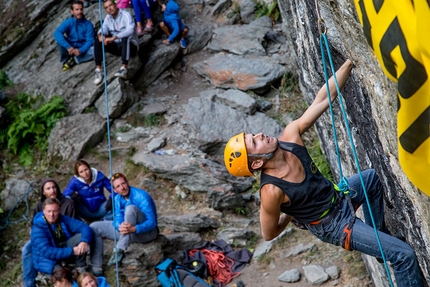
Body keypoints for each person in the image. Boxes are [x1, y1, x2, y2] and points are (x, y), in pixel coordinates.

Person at [223, 59, 423, 286]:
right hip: (333, 226)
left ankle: (380, 245)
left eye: (254, 135)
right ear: (257, 164)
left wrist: (349, 63)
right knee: (404, 256)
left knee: (371, 179)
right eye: (255, 143)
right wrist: (289, 214)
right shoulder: (271, 191)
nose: (260, 135)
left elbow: (323, 98)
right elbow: (268, 234)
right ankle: (388, 249)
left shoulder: (290, 137)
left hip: (338, 197)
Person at [90, 173, 158, 266]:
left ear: (127, 182)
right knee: (94, 227)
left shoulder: (141, 196)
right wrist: (119, 226)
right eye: (118, 186)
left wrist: (135, 229)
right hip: (128, 232)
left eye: (123, 183)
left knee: (130, 209)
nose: (122, 187)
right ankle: (96, 266)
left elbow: (152, 222)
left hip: (146, 233)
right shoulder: (117, 198)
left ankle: (119, 249)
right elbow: (118, 218)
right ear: (115, 190)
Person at [22, 178, 77, 287]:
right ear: (43, 192)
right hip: (45, 237)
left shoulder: (67, 203)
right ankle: (29, 283)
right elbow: (34, 225)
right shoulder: (40, 205)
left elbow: (72, 224)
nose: (52, 190)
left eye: (54, 187)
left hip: (63, 237)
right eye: (48, 188)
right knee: (27, 249)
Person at [31, 198, 103, 277]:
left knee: (84, 235)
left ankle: (80, 267)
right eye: (49, 211)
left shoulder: (62, 219)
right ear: (43, 211)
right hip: (47, 260)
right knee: (64, 277)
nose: (52, 214)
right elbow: (47, 252)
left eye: (55, 211)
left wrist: (84, 241)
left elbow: (84, 226)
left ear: (59, 210)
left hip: (63, 249)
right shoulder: (38, 229)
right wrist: (72, 251)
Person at [93, 0, 138, 85]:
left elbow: (130, 30)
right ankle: (98, 70)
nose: (109, 8)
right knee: (97, 41)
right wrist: (100, 35)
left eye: (110, 5)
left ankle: (124, 68)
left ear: (115, 5)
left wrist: (114, 37)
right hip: (117, 46)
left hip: (131, 46)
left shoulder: (126, 15)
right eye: (106, 7)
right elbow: (104, 28)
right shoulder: (108, 18)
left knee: (125, 37)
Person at [53, 0, 94, 71]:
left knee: (95, 50)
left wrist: (81, 50)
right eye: (77, 9)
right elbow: (57, 33)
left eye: (81, 9)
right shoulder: (69, 22)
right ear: (72, 11)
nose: (79, 12)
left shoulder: (88, 24)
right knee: (60, 40)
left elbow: (90, 40)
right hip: (70, 48)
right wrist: (68, 47)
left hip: (82, 49)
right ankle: (66, 60)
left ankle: (75, 60)